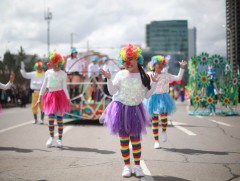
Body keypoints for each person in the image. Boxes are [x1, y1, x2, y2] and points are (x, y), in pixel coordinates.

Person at [100, 44, 159, 178]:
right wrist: (108, 78)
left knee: (136, 139)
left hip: (136, 110)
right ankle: (127, 166)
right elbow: (112, 91)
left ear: (137, 59)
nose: (127, 62)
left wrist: (154, 83)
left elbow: (147, 95)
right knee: (124, 140)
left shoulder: (144, 76)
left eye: (131, 58)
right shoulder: (121, 74)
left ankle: (137, 166)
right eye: (125, 59)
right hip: (120, 109)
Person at [145, 55, 187, 149]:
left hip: (164, 98)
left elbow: (178, 78)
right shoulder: (148, 74)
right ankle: (156, 141)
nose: (160, 66)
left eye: (162, 64)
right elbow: (143, 85)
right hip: (152, 99)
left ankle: (164, 131)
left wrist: (182, 68)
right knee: (155, 120)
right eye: (158, 64)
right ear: (154, 65)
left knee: (164, 117)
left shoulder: (166, 75)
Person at [36, 52, 72, 148]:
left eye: (51, 61)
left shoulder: (63, 74)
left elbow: (64, 88)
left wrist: (68, 99)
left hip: (60, 97)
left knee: (60, 120)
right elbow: (44, 86)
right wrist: (39, 98)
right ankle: (51, 137)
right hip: (50, 96)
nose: (49, 63)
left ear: (56, 62)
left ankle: (59, 139)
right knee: (51, 119)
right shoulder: (48, 73)